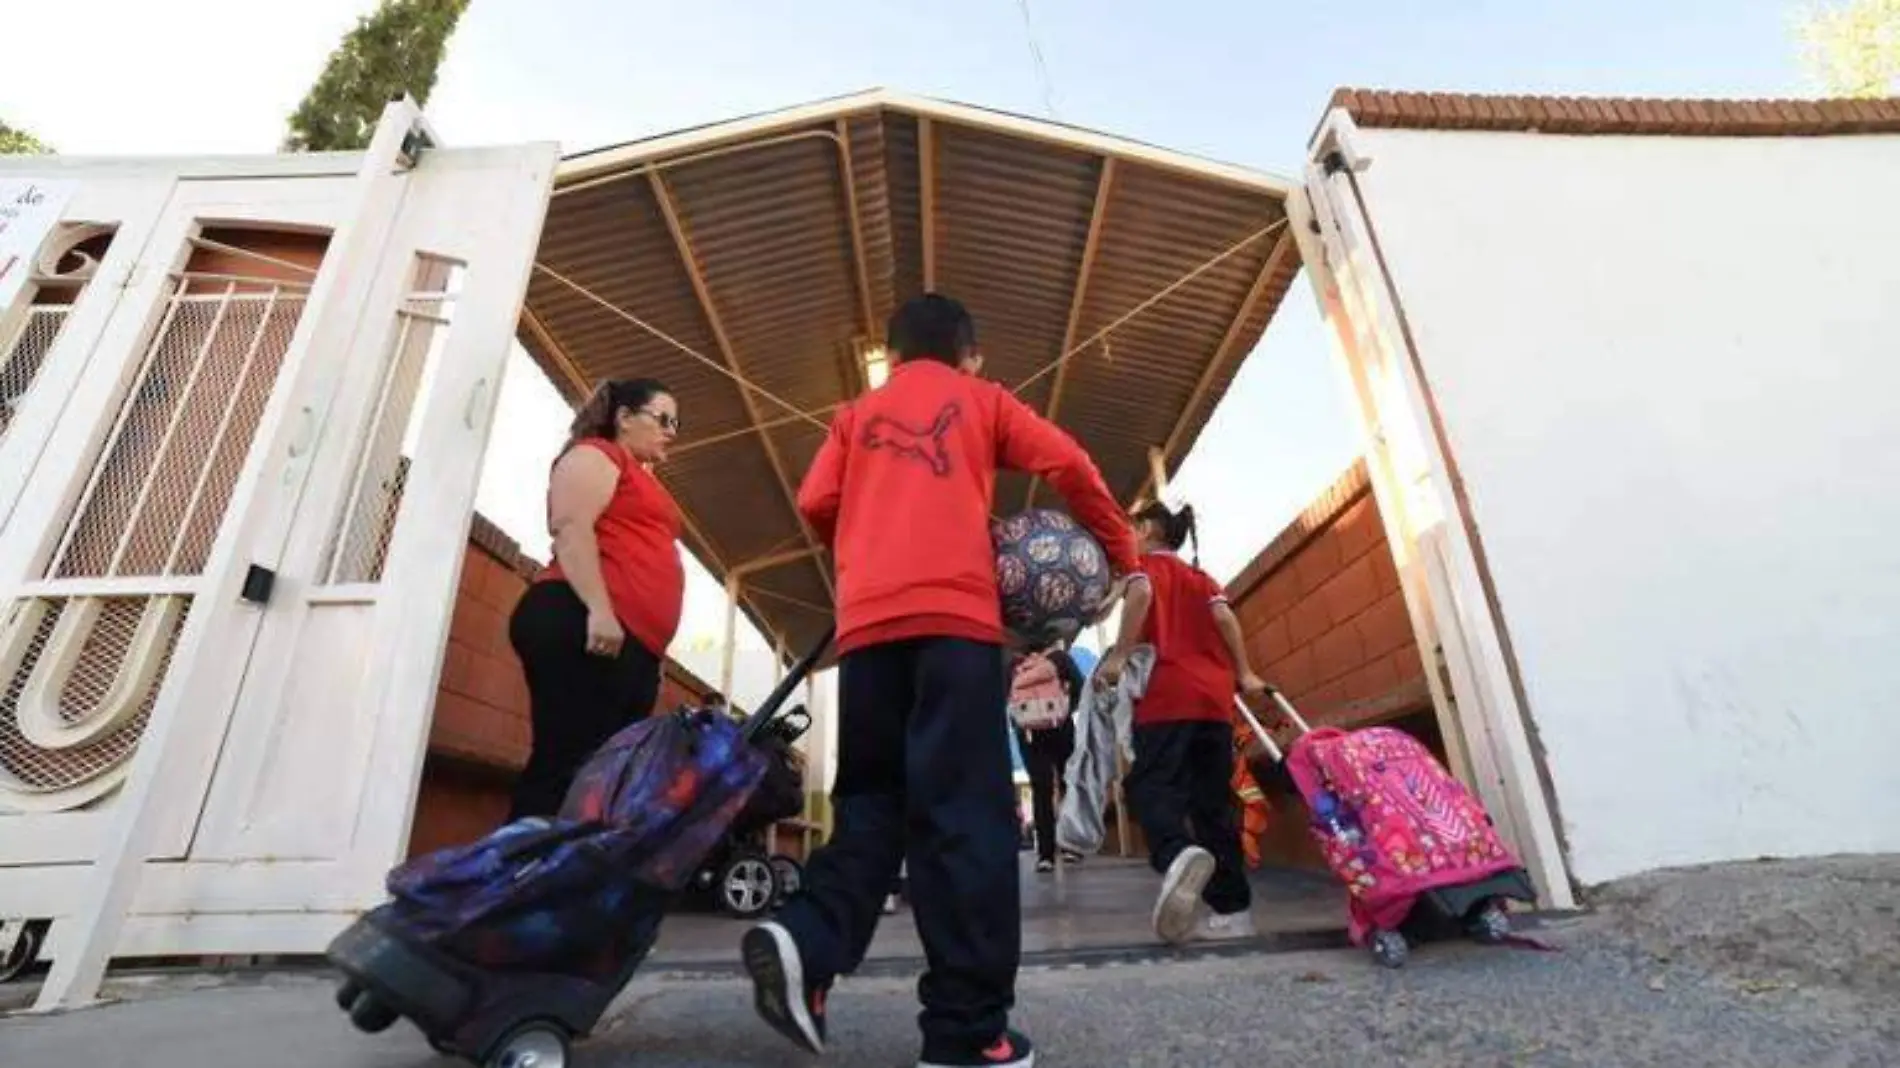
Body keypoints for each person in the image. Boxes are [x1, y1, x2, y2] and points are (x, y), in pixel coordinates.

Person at [742, 293, 1138, 1068]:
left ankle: (807, 938)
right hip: (954, 629)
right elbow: (1070, 464)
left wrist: (861, 552)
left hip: (865, 635)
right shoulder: (984, 400)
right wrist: (1122, 551)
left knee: (870, 806)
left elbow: (816, 500)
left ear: (888, 358)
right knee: (965, 821)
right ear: (971, 356)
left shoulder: (855, 415)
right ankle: (965, 1034)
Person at [506, 378, 683, 821]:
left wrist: (652, 654)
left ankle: (565, 881)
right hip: (580, 617)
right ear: (624, 418)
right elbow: (571, 526)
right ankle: (515, 880)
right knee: (565, 766)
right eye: (663, 419)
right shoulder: (596, 454)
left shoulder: (641, 476)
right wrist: (600, 610)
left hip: (627, 644)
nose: (673, 431)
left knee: (604, 780)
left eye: (676, 423)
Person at [1098, 501, 1267, 946]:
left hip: (1165, 697)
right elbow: (1225, 615)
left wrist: (1118, 657)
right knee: (1213, 805)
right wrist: (1245, 673)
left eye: (1129, 528)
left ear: (1148, 529)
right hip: (1213, 701)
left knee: (1151, 788)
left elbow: (1141, 595)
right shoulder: (1200, 577)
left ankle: (1176, 854)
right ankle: (1234, 912)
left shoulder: (1143, 568)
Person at [1009, 642, 1084, 873]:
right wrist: (1065, 710)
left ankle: (1045, 855)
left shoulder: (1014, 662)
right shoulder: (1060, 658)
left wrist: (1019, 721)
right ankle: (1071, 845)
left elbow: (1003, 695)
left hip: (1029, 733)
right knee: (1067, 783)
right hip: (1060, 727)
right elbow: (1081, 686)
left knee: (1040, 789)